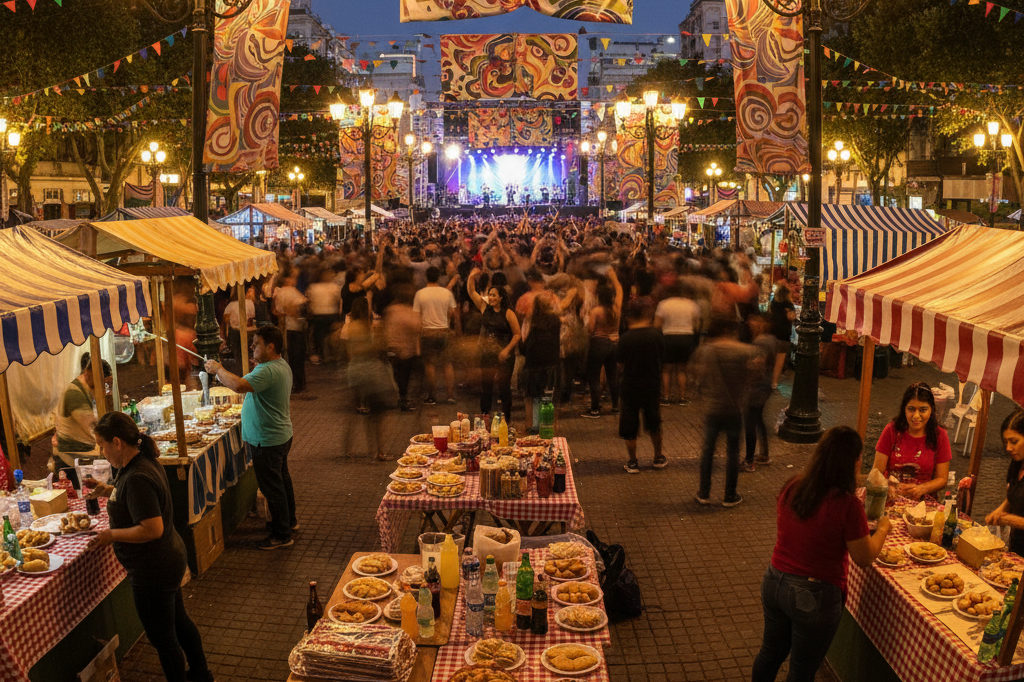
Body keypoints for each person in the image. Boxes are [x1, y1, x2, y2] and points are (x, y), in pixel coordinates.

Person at [752, 426, 891, 682]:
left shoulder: (794, 485)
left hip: (774, 581)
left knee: (770, 653)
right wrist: (882, 528)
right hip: (812, 595)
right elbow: (864, 557)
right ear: (854, 461)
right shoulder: (848, 505)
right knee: (801, 671)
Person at [87, 412, 215, 682]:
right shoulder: (141, 461)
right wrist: (104, 489)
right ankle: (201, 674)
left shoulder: (136, 477)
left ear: (118, 442)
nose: (102, 451)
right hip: (168, 558)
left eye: (102, 444)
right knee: (179, 621)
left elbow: (151, 528)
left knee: (163, 638)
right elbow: (130, 497)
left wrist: (111, 535)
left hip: (153, 569)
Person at [204, 326, 296, 549]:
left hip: (267, 439)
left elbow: (237, 385)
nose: (252, 347)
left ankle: (282, 535)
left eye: (256, 344)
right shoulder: (279, 365)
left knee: (272, 487)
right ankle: (288, 521)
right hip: (279, 435)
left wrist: (218, 369)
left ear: (270, 347)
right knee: (281, 481)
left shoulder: (268, 370)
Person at [689, 317, 758, 507]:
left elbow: (695, 375)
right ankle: (730, 495)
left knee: (708, 451)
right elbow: (754, 374)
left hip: (712, 408)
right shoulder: (745, 351)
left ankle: (704, 492)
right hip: (734, 408)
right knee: (733, 452)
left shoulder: (705, 351)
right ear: (732, 331)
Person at [871, 382, 952, 501]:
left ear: (931, 410)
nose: (916, 416)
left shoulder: (940, 435)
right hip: (890, 497)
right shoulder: (891, 430)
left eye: (923, 410)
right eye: (911, 409)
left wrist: (921, 489)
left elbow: (942, 478)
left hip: (923, 501)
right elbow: (876, 472)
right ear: (904, 409)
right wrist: (889, 487)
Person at [617, 299, 665, 473]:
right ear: (646, 314)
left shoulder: (626, 338)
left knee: (630, 424)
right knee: (654, 421)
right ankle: (658, 457)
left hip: (630, 385)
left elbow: (620, 362)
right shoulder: (656, 335)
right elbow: (662, 357)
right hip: (652, 384)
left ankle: (633, 461)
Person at [467, 268, 521, 421]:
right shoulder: (485, 309)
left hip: (504, 354)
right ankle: (485, 417)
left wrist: (506, 350)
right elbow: (472, 293)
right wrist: (471, 278)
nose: (491, 298)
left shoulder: (508, 313)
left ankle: (506, 419)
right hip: (487, 353)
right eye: (490, 295)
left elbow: (517, 334)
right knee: (486, 387)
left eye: (494, 295)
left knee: (504, 387)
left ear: (501, 297)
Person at [52, 353, 112, 469]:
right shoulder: (74, 393)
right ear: (90, 373)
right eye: (104, 383)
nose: (105, 388)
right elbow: (93, 427)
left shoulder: (86, 388)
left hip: (83, 452)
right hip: (72, 459)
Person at [413, 266, 458, 405]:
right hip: (444, 331)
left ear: (426, 277)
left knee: (430, 365)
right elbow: (453, 312)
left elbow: (416, 317)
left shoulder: (420, 294)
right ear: (438, 277)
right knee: (448, 364)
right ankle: (450, 395)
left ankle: (432, 396)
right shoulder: (446, 293)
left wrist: (416, 342)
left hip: (427, 332)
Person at [582, 269, 622, 419]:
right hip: (614, 343)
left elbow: (591, 330)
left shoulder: (596, 311)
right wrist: (614, 278)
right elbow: (620, 292)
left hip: (599, 343)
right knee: (612, 375)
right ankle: (616, 406)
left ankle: (595, 409)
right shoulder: (616, 310)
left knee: (594, 376)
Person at [984, 410, 1024, 555]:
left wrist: (1009, 519)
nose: (1008, 448)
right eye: (1006, 441)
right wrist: (1001, 510)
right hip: (1017, 546)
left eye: (1014, 441)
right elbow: (1014, 494)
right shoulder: (1017, 463)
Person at [654, 281, 700, 406]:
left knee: (666, 369)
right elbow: (697, 325)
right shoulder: (692, 304)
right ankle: (681, 397)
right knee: (682, 369)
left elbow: (657, 324)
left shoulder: (663, 304)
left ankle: (666, 396)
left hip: (668, 337)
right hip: (686, 337)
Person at [743, 315, 777, 472]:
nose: (751, 324)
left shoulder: (761, 341)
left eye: (755, 321)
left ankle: (749, 460)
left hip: (758, 386)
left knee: (750, 420)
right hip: (765, 384)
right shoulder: (770, 339)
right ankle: (764, 454)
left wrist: (745, 368)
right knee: (758, 418)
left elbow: (758, 363)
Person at [273, 274, 308, 393]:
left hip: (286, 327)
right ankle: (299, 383)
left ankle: (294, 383)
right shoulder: (291, 291)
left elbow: (277, 310)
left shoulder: (279, 293)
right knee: (297, 357)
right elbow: (302, 304)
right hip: (295, 327)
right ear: (287, 279)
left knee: (291, 357)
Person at [221, 285, 255, 371]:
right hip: (250, 331)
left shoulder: (231, 305)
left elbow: (225, 320)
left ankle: (242, 372)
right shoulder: (250, 302)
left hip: (236, 332)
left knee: (239, 355)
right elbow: (251, 318)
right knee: (250, 353)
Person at [768, 283, 796, 389]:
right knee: (779, 360)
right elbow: (791, 317)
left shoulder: (773, 303)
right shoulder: (788, 304)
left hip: (772, 333)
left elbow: (770, 314)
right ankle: (774, 382)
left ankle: (767, 380)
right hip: (784, 334)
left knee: (771, 358)